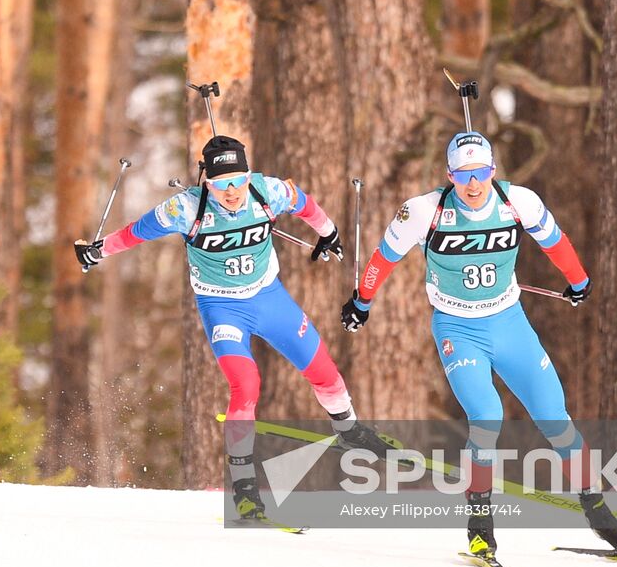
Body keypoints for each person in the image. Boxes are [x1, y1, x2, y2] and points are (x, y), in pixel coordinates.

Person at [341, 130, 617, 558]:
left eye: (480, 172)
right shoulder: (425, 211)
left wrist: (579, 281)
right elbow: (383, 257)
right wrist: (361, 302)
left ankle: (597, 510)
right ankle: (480, 523)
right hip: (457, 329)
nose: (473, 183)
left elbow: (553, 241)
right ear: (449, 176)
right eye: (462, 175)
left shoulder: (519, 201)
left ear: (493, 171)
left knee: (555, 417)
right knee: (486, 417)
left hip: (509, 322)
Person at [75, 135, 388, 524]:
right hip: (222, 308)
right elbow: (135, 233)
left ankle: (348, 430)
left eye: (238, 180)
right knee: (246, 384)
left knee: (323, 369)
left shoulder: (266, 190)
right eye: (222, 184)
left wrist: (328, 233)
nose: (233, 192)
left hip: (269, 299)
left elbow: (304, 203)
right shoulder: (185, 207)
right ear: (207, 182)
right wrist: (96, 250)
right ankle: (244, 485)